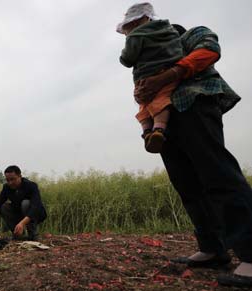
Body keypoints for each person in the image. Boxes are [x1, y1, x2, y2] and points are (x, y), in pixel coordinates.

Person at [133, 20, 252, 287]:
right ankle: (213, 249)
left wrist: (167, 75)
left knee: (219, 175)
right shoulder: (149, 59)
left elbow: (209, 51)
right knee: (187, 184)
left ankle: (251, 253)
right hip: (165, 122)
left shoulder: (192, 35)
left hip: (194, 104)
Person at [118, 2, 183, 153]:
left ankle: (156, 130)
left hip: (147, 77)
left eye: (127, 28)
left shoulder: (136, 36)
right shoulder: (170, 31)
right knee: (161, 98)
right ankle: (151, 133)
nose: (127, 33)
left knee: (149, 103)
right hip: (169, 72)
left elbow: (127, 59)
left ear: (136, 21)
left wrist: (124, 52)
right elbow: (178, 51)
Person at [0, 165, 47, 241]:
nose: (10, 183)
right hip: (19, 213)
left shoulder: (31, 186)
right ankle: (17, 234)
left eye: (13, 179)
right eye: (8, 180)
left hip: (36, 214)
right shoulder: (6, 188)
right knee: (3, 207)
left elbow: (35, 207)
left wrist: (22, 223)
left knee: (25, 203)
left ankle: (33, 234)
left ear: (20, 176)